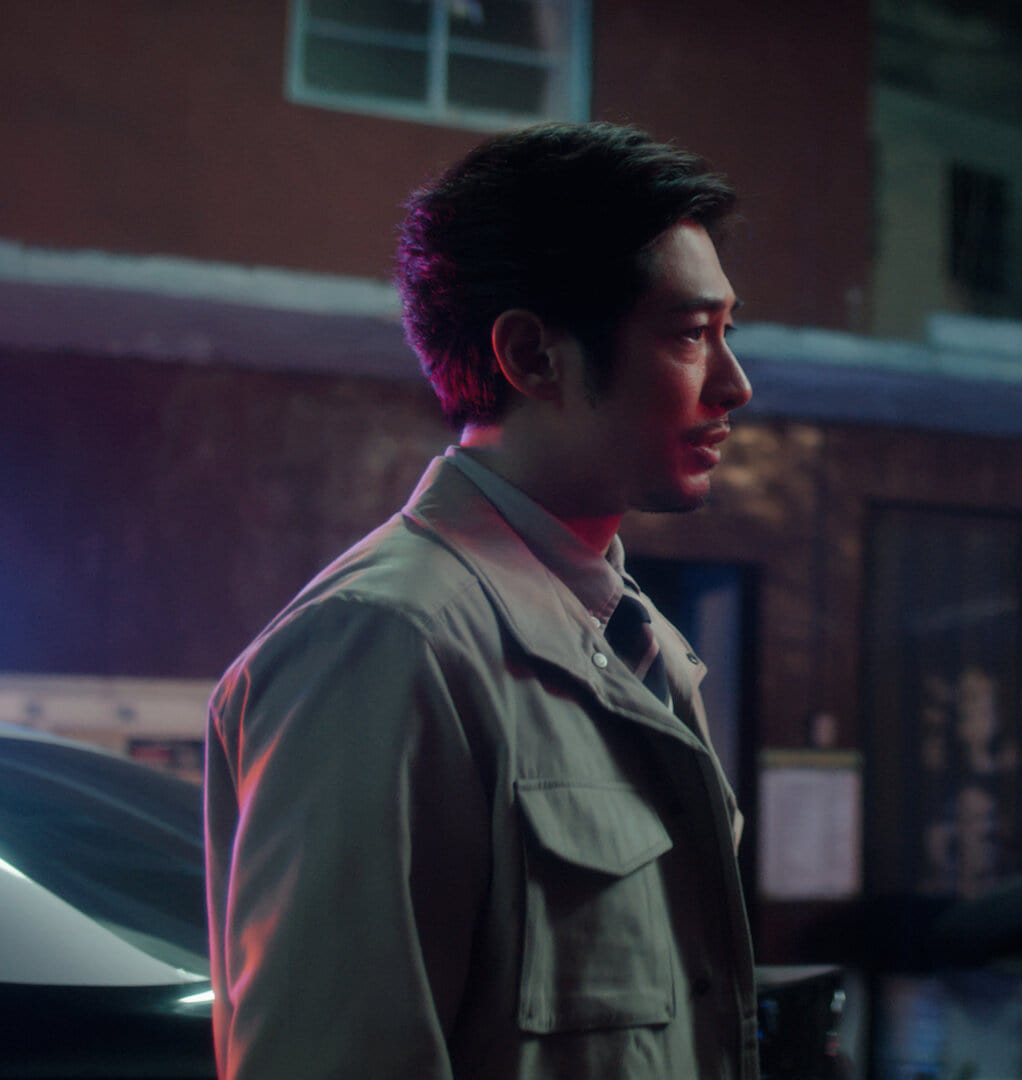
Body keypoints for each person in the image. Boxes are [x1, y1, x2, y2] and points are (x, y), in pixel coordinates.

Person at [204, 122, 756, 1079]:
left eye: (726, 334)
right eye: (688, 334)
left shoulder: (643, 642)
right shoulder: (384, 644)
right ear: (533, 357)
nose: (735, 385)